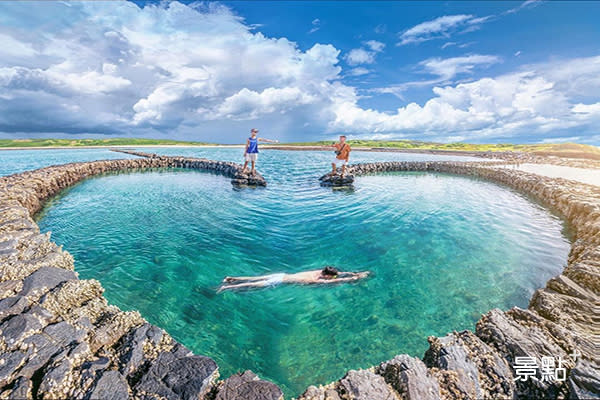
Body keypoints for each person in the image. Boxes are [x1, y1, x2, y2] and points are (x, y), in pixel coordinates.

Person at [217, 266, 369, 292]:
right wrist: (353, 278)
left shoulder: (318, 271)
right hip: (278, 281)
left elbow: (338, 274)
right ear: (327, 275)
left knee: (252, 278)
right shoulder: (316, 281)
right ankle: (227, 287)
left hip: (280, 274)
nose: (334, 277)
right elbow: (338, 279)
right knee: (253, 284)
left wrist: (354, 273)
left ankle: (230, 278)